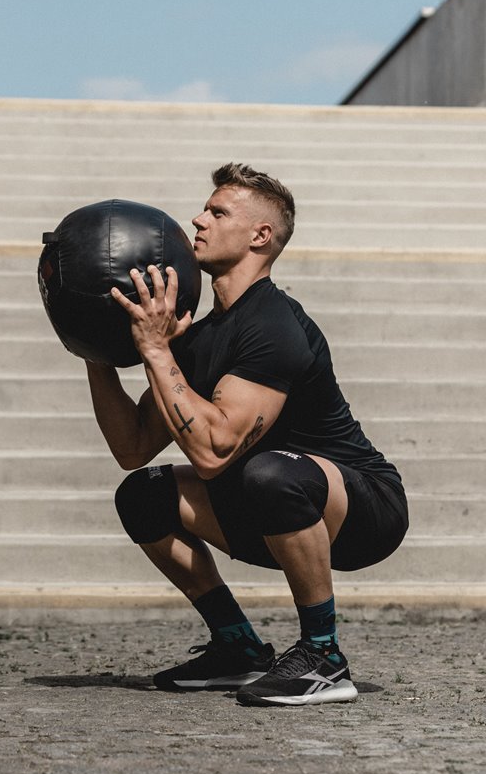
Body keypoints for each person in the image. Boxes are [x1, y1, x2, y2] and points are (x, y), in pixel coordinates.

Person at [84, 162, 408, 707]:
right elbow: (132, 448)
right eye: (204, 209)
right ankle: (238, 647)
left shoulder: (273, 325)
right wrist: (95, 348)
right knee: (144, 494)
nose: (198, 219)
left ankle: (323, 656)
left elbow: (213, 453)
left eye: (217, 212)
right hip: (269, 507)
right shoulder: (199, 337)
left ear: (261, 236)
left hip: (363, 507)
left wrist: (158, 351)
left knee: (270, 472)